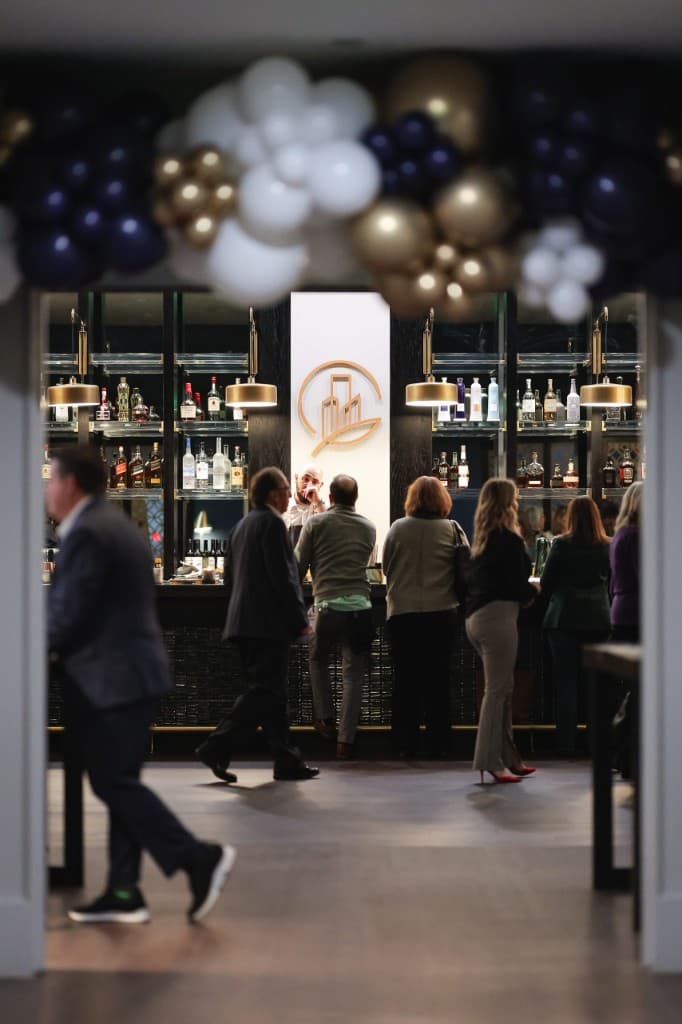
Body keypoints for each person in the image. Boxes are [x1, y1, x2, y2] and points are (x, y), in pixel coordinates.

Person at [46, 445, 234, 925]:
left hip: (113, 676)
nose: (47, 490)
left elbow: (67, 612)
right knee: (119, 779)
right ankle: (124, 891)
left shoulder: (87, 531)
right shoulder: (115, 524)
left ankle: (196, 857)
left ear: (70, 484)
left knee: (112, 781)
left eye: (51, 481)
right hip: (132, 672)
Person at [196, 467, 319, 781]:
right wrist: (299, 618)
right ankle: (215, 746)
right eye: (285, 489)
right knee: (264, 692)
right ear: (271, 493)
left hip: (243, 621)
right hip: (267, 624)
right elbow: (284, 577)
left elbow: (230, 578)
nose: (290, 495)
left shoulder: (241, 525)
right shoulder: (272, 524)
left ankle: (286, 760)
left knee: (274, 695)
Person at [382, 476, 469, 758]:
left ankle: (403, 746)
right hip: (441, 614)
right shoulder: (452, 529)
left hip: (403, 614)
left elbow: (387, 568)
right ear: (442, 500)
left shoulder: (397, 528)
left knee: (405, 684)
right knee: (438, 683)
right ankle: (439, 745)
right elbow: (465, 573)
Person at [295, 474, 376, 758]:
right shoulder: (369, 527)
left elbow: (297, 565)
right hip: (361, 609)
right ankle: (346, 741)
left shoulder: (316, 523)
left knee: (317, 658)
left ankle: (325, 718)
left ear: (330, 498)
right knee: (353, 675)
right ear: (356, 498)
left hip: (327, 607)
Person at [465, 478, 539, 784]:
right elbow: (515, 584)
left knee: (503, 689)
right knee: (496, 693)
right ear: (508, 504)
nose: (518, 504)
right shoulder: (508, 540)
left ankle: (510, 758)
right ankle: (489, 762)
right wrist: (533, 591)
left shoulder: (483, 540)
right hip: (498, 618)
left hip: (477, 618)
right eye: (515, 499)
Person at [541, 495, 611, 755]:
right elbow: (612, 584)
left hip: (564, 619)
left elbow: (546, 584)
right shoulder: (607, 545)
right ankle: (597, 745)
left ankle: (566, 745)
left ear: (570, 516)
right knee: (595, 687)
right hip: (598, 618)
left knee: (566, 685)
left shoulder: (560, 544)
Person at [610, 482, 642, 644]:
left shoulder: (621, 533)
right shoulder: (636, 535)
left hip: (621, 610)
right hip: (636, 612)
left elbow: (614, 581)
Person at [283, 462, 326, 546]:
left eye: (315, 482)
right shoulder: (282, 508)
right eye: (305, 479)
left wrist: (318, 503)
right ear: (296, 478)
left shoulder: (325, 510)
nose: (309, 485)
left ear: (321, 485)